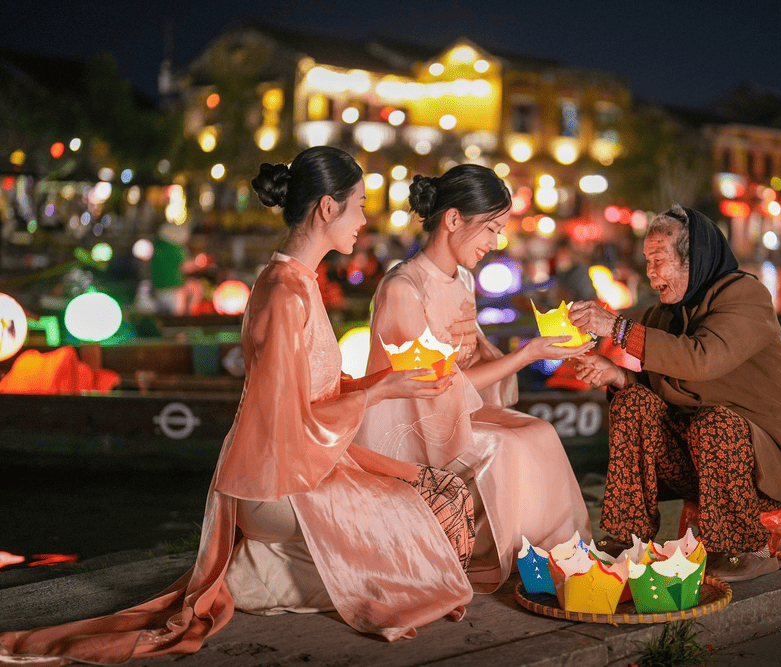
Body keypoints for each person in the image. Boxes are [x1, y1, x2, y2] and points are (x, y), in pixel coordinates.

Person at [0, 147, 476, 664]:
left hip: (306, 461)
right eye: (358, 204)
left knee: (441, 497)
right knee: (423, 529)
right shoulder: (283, 293)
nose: (365, 219)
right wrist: (380, 392)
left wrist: (390, 379)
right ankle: (268, 582)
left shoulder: (301, 284)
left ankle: (279, 571)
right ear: (326, 208)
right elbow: (282, 420)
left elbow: (317, 388)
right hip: (277, 479)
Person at [355, 164, 594, 592]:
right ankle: (501, 557)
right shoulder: (403, 288)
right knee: (505, 444)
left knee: (539, 432)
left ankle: (559, 560)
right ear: (452, 220)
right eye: (491, 229)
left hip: (452, 410)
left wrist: (528, 347)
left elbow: (470, 358)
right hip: (411, 424)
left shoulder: (463, 277)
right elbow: (430, 387)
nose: (495, 243)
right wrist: (527, 355)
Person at [568, 204, 781, 582]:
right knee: (633, 403)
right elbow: (659, 397)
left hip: (760, 467)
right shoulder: (659, 317)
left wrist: (617, 328)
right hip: (699, 466)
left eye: (660, 260)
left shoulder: (745, 297)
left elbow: (703, 361)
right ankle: (628, 536)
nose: (651, 272)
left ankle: (745, 548)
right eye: (648, 261)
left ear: (693, 260)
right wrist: (617, 377)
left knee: (714, 423)